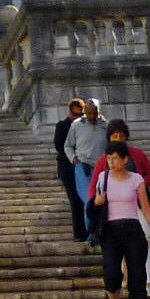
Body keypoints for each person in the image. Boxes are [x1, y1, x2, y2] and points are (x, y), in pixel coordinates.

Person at [88, 125, 150, 299]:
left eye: (114, 158)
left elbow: (146, 207)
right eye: (108, 158)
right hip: (111, 232)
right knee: (111, 276)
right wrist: (97, 201)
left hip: (132, 230)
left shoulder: (136, 180)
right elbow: (93, 201)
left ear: (125, 160)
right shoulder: (103, 178)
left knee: (137, 278)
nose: (110, 162)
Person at [62, 95, 105, 246]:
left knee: (102, 201)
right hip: (83, 167)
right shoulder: (76, 125)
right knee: (89, 201)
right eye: (89, 113)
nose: (92, 116)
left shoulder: (105, 125)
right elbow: (67, 145)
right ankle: (91, 232)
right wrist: (73, 159)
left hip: (102, 168)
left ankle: (100, 231)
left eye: (94, 113)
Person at [52, 98, 90, 242]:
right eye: (75, 115)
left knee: (86, 199)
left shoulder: (85, 126)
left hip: (84, 167)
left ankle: (89, 230)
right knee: (75, 200)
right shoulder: (62, 126)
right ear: (70, 113)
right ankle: (79, 233)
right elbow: (59, 146)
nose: (77, 118)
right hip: (68, 168)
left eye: (80, 115)